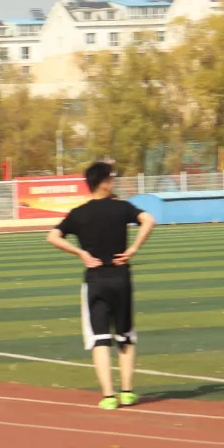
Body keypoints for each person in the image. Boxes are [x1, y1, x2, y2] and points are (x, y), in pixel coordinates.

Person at [46, 161, 155, 409]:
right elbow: (148, 220)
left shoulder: (79, 213)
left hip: (95, 280)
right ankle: (127, 392)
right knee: (125, 336)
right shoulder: (122, 207)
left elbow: (52, 236)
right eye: (112, 179)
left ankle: (108, 396)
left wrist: (80, 253)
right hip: (121, 278)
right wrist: (133, 249)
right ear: (105, 183)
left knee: (100, 338)